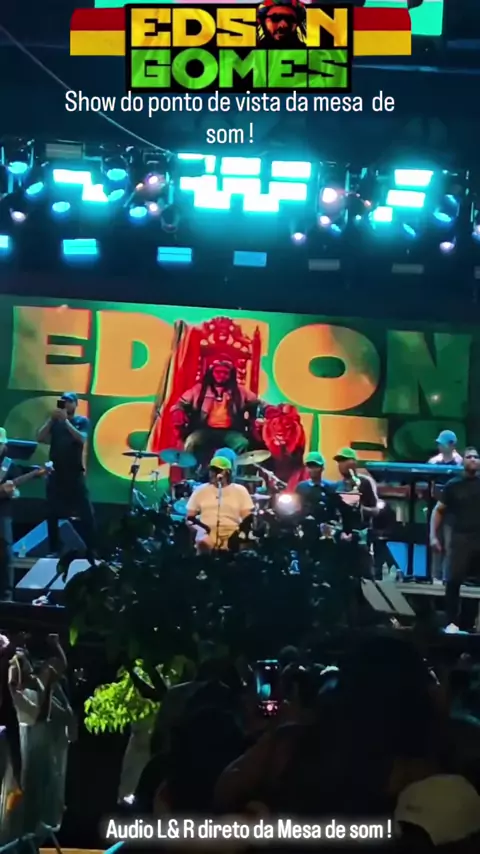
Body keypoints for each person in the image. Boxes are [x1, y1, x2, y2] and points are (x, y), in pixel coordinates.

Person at [37, 393, 95, 562]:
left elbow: (81, 438)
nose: (65, 403)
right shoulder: (55, 423)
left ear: (75, 404)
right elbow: (40, 437)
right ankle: (54, 549)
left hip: (75, 473)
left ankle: (91, 549)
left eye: (69, 401)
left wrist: (66, 422)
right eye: (63, 401)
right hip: (56, 473)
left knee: (86, 512)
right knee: (52, 512)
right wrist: (51, 420)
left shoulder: (81, 421)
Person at [171, 361, 261, 468]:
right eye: (218, 372)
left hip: (230, 431)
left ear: (231, 375)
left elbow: (258, 403)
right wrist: (178, 411)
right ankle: (190, 475)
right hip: (204, 430)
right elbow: (180, 404)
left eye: (225, 373)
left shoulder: (240, 391)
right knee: (191, 442)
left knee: (242, 443)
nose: (221, 375)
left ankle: (237, 475)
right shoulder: (199, 389)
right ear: (211, 373)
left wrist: (269, 410)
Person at [430, 447, 480, 633]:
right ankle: (451, 622)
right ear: (463, 461)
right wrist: (433, 536)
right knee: (453, 582)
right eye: (469, 457)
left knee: (475, 584)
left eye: (476, 457)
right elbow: (438, 511)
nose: (473, 459)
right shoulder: (453, 485)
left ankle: (469, 624)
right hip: (460, 538)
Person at [186, 456, 253, 551]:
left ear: (227, 472)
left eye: (217, 470)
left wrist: (240, 535)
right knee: (203, 543)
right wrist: (202, 531)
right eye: (211, 470)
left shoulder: (240, 490)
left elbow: (247, 518)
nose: (212, 474)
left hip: (232, 533)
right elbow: (189, 518)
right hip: (207, 532)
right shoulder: (200, 490)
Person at [428, 431, 462, 584]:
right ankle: (435, 577)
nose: (439, 446)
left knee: (450, 545)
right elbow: (430, 485)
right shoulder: (433, 462)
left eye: (442, 443)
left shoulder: (460, 463)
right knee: (435, 541)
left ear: (452, 445)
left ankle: (447, 578)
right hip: (437, 507)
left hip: (454, 512)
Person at [0, 429, 20, 603]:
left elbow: (17, 492)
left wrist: (12, 492)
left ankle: (7, 595)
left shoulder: (9, 465)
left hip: (3, 513)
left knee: (6, 553)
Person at [295, 452, 338, 522]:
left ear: (322, 468)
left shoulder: (331, 487)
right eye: (310, 467)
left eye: (316, 466)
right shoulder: (301, 487)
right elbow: (297, 508)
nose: (312, 470)